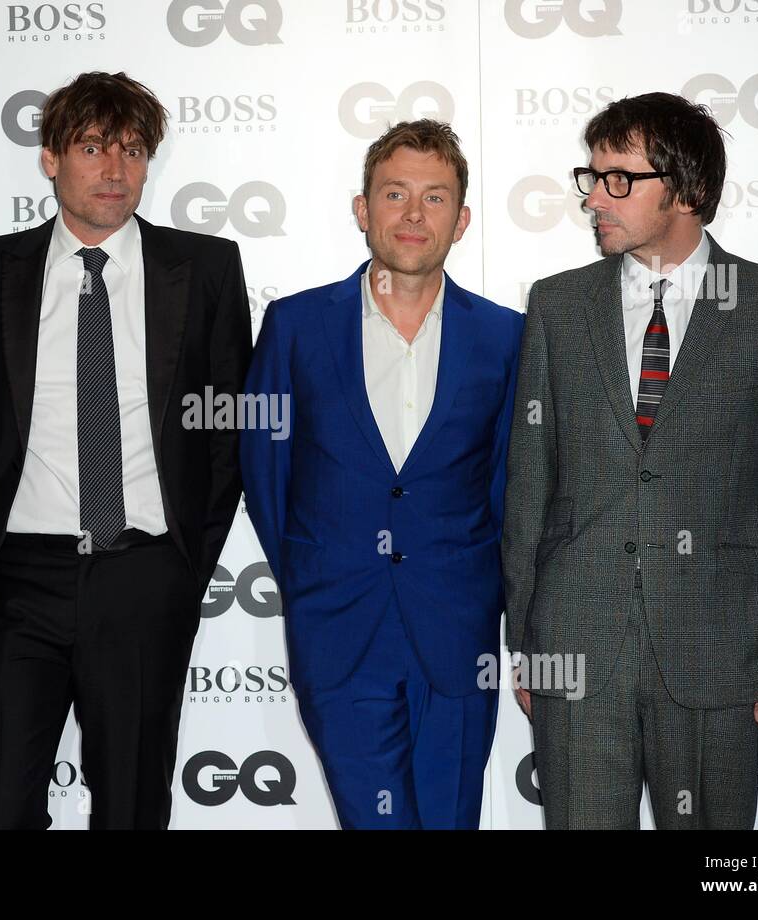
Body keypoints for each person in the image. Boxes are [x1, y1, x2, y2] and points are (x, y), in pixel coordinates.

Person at [502, 92, 758, 829]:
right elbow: (530, 485)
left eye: (619, 179)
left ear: (688, 190)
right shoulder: (558, 307)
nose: (596, 197)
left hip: (720, 650)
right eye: (591, 177)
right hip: (577, 647)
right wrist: (527, 639)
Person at [0, 71, 252, 829]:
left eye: (133, 150)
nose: (115, 170)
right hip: (15, 581)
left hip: (143, 575)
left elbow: (229, 433)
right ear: (51, 158)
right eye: (92, 147)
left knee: (131, 808)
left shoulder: (205, 269)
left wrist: (181, 566)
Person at [241, 119, 523, 829]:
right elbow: (266, 472)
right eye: (394, 193)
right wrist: (314, 574)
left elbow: (508, 487)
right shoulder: (296, 326)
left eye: (434, 198)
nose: (412, 214)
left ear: (461, 221)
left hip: (455, 631)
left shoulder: (504, 336)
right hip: (339, 625)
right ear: (363, 209)